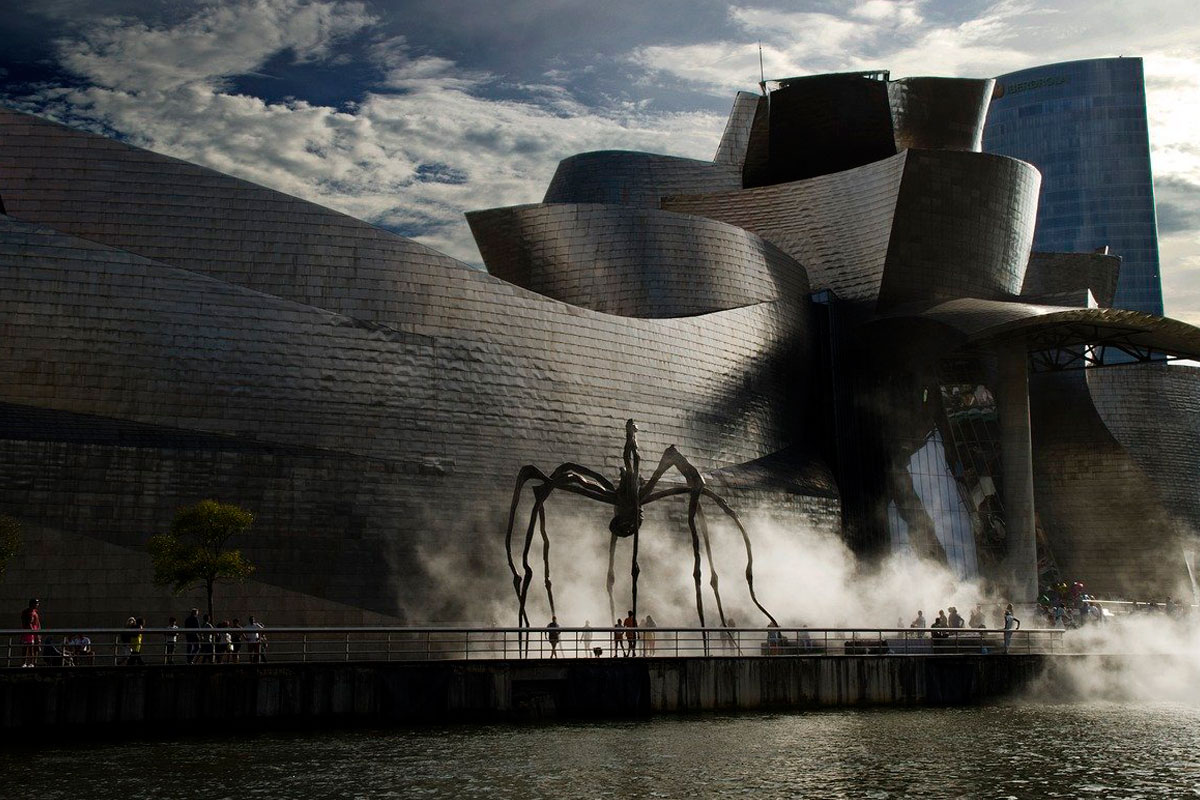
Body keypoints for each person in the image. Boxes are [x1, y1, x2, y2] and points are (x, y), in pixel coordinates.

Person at [20, 598, 41, 668]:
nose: (38, 605)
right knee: (29, 647)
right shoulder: (29, 612)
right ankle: (27, 663)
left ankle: (32, 663)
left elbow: (37, 623)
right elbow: (29, 623)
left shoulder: (34, 612)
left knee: (34, 648)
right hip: (30, 632)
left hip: (34, 632)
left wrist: (38, 633)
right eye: (36, 603)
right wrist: (34, 633)